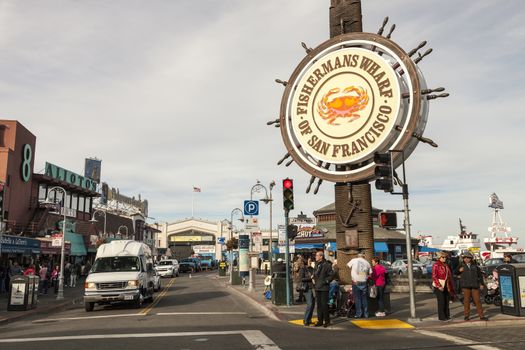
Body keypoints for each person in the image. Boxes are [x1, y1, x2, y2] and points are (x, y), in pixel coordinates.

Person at [458, 252, 488, 321]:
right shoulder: (461, 266)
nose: (466, 259)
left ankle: (481, 316)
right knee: (466, 301)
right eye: (465, 258)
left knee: (477, 301)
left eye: (468, 257)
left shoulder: (475, 266)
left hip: (475, 285)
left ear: (471, 258)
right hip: (466, 286)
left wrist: (481, 284)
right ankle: (466, 316)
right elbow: (455, 272)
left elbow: (480, 276)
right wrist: (459, 271)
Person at [432, 251, 455, 321]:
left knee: (446, 301)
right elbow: (434, 276)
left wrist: (451, 285)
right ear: (439, 258)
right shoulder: (436, 265)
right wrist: (439, 285)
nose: (445, 258)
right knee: (441, 301)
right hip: (439, 284)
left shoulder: (446, 265)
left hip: (447, 284)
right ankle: (442, 317)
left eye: (445, 257)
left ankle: (447, 315)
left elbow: (449, 276)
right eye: (443, 257)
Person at [347, 252, 371, 318]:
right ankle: (366, 314)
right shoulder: (367, 262)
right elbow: (370, 273)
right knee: (364, 299)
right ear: (363, 257)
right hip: (364, 282)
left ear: (358, 256)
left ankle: (359, 314)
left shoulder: (354, 260)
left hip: (356, 282)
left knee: (357, 299)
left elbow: (347, 265)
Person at [313, 251, 333, 327]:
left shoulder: (327, 265)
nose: (315, 257)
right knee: (319, 305)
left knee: (324, 305)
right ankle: (320, 320)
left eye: (317, 255)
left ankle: (327, 321)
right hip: (317, 287)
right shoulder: (316, 264)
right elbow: (315, 274)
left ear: (321, 256)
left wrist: (325, 281)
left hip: (324, 288)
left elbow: (331, 275)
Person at [300, 257, 315, 326]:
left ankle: (309, 319)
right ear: (306, 262)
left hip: (313, 288)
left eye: (311, 261)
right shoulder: (303, 269)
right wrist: (310, 278)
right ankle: (306, 320)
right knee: (310, 304)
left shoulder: (312, 269)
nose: (310, 262)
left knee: (313, 305)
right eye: (309, 261)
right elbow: (301, 279)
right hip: (307, 288)